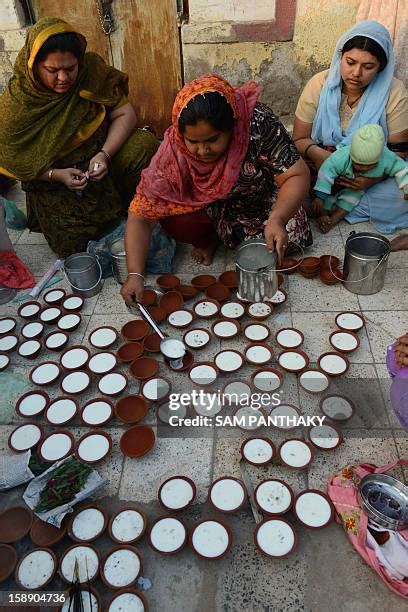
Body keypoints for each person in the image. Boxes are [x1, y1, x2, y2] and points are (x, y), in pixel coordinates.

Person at [121, 74, 311, 305]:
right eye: (193, 141)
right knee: (175, 220)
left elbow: (296, 174)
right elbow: (140, 212)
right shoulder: (174, 149)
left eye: (212, 139)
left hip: (263, 197)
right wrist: (134, 275)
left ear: (232, 126)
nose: (202, 151)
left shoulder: (257, 123)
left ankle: (259, 227)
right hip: (213, 207)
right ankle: (209, 239)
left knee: (286, 238)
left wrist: (278, 219)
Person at [0, 17, 158, 258]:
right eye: (52, 70)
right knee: (73, 249)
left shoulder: (90, 72)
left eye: (70, 68)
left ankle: (133, 211)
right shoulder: (17, 105)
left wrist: (104, 154)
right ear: (33, 66)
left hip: (99, 163)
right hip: (54, 183)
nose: (63, 78)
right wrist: (56, 175)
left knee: (144, 145)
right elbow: (14, 161)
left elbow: (125, 113)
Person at [293, 20, 408, 235]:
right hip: (321, 165)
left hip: (371, 172)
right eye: (350, 62)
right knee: (286, 175)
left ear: (381, 67)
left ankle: (329, 205)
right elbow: (299, 139)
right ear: (340, 56)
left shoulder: (394, 91)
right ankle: (333, 202)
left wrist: (372, 179)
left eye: (368, 67)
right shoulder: (320, 84)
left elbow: (398, 154)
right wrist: (321, 157)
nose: (356, 73)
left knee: (399, 193)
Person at [313, 124, 408, 233]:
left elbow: (401, 169)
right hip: (337, 182)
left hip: (357, 189)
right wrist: (320, 196)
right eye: (357, 164)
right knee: (323, 202)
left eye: (369, 165)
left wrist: (406, 187)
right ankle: (323, 216)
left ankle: (333, 220)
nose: (363, 168)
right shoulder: (341, 157)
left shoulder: (386, 157)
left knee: (349, 202)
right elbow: (326, 171)